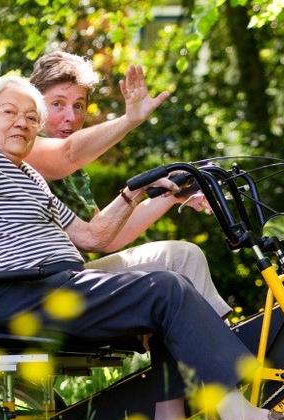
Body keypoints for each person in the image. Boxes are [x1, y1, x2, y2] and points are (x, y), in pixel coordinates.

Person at [0, 39, 284, 420]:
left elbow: (93, 236)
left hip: (52, 286)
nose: (23, 124)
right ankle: (239, 418)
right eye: (10, 113)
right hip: (16, 291)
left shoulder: (28, 176)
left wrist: (136, 191)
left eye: (31, 118)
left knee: (167, 287)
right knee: (165, 289)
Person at [25, 51, 231, 319]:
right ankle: (224, 354)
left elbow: (107, 237)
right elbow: (67, 153)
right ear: (35, 106)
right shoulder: (25, 147)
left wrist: (171, 194)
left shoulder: (74, 174)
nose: (71, 117)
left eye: (78, 105)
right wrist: (129, 120)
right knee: (173, 274)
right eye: (58, 104)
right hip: (42, 289)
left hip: (73, 276)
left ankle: (217, 343)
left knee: (184, 257)